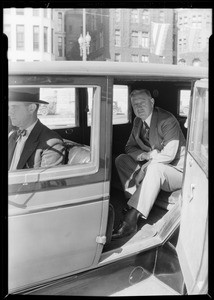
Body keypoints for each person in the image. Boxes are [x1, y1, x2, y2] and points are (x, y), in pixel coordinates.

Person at [113, 89, 186, 239]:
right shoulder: (138, 121)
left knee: (155, 168)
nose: (139, 107)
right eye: (135, 104)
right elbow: (129, 147)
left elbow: (169, 155)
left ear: (152, 102)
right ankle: (135, 202)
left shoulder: (167, 120)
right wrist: (144, 155)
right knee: (121, 160)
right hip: (155, 164)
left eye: (142, 103)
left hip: (177, 171)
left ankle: (131, 219)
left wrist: (144, 169)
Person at [8, 90, 65, 170]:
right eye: (8, 107)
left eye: (14, 107)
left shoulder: (52, 143)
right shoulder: (13, 135)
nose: (9, 113)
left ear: (31, 108)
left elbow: (47, 181)